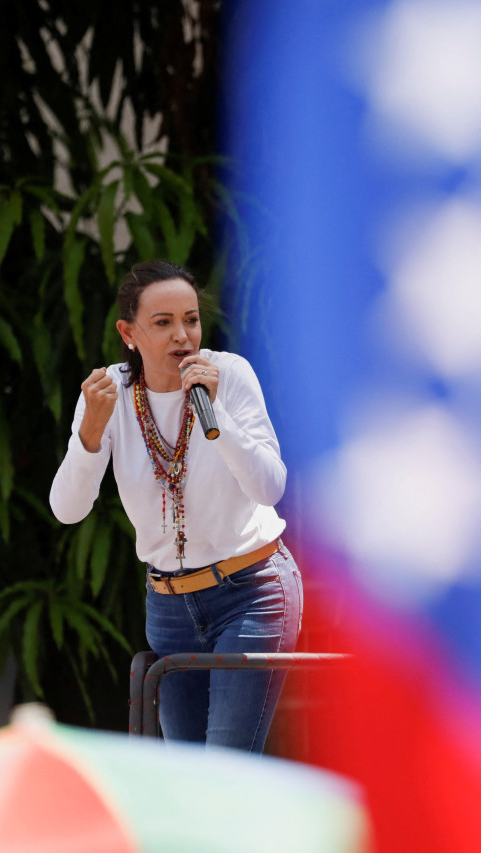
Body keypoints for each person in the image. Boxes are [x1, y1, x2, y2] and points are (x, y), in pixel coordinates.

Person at [49, 259, 302, 752]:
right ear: (128, 332)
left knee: (224, 769)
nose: (182, 336)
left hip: (251, 590)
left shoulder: (228, 374)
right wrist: (89, 436)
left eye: (190, 319)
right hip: (168, 605)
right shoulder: (107, 394)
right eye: (163, 323)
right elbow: (67, 510)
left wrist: (218, 414)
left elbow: (270, 487)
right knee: (187, 777)